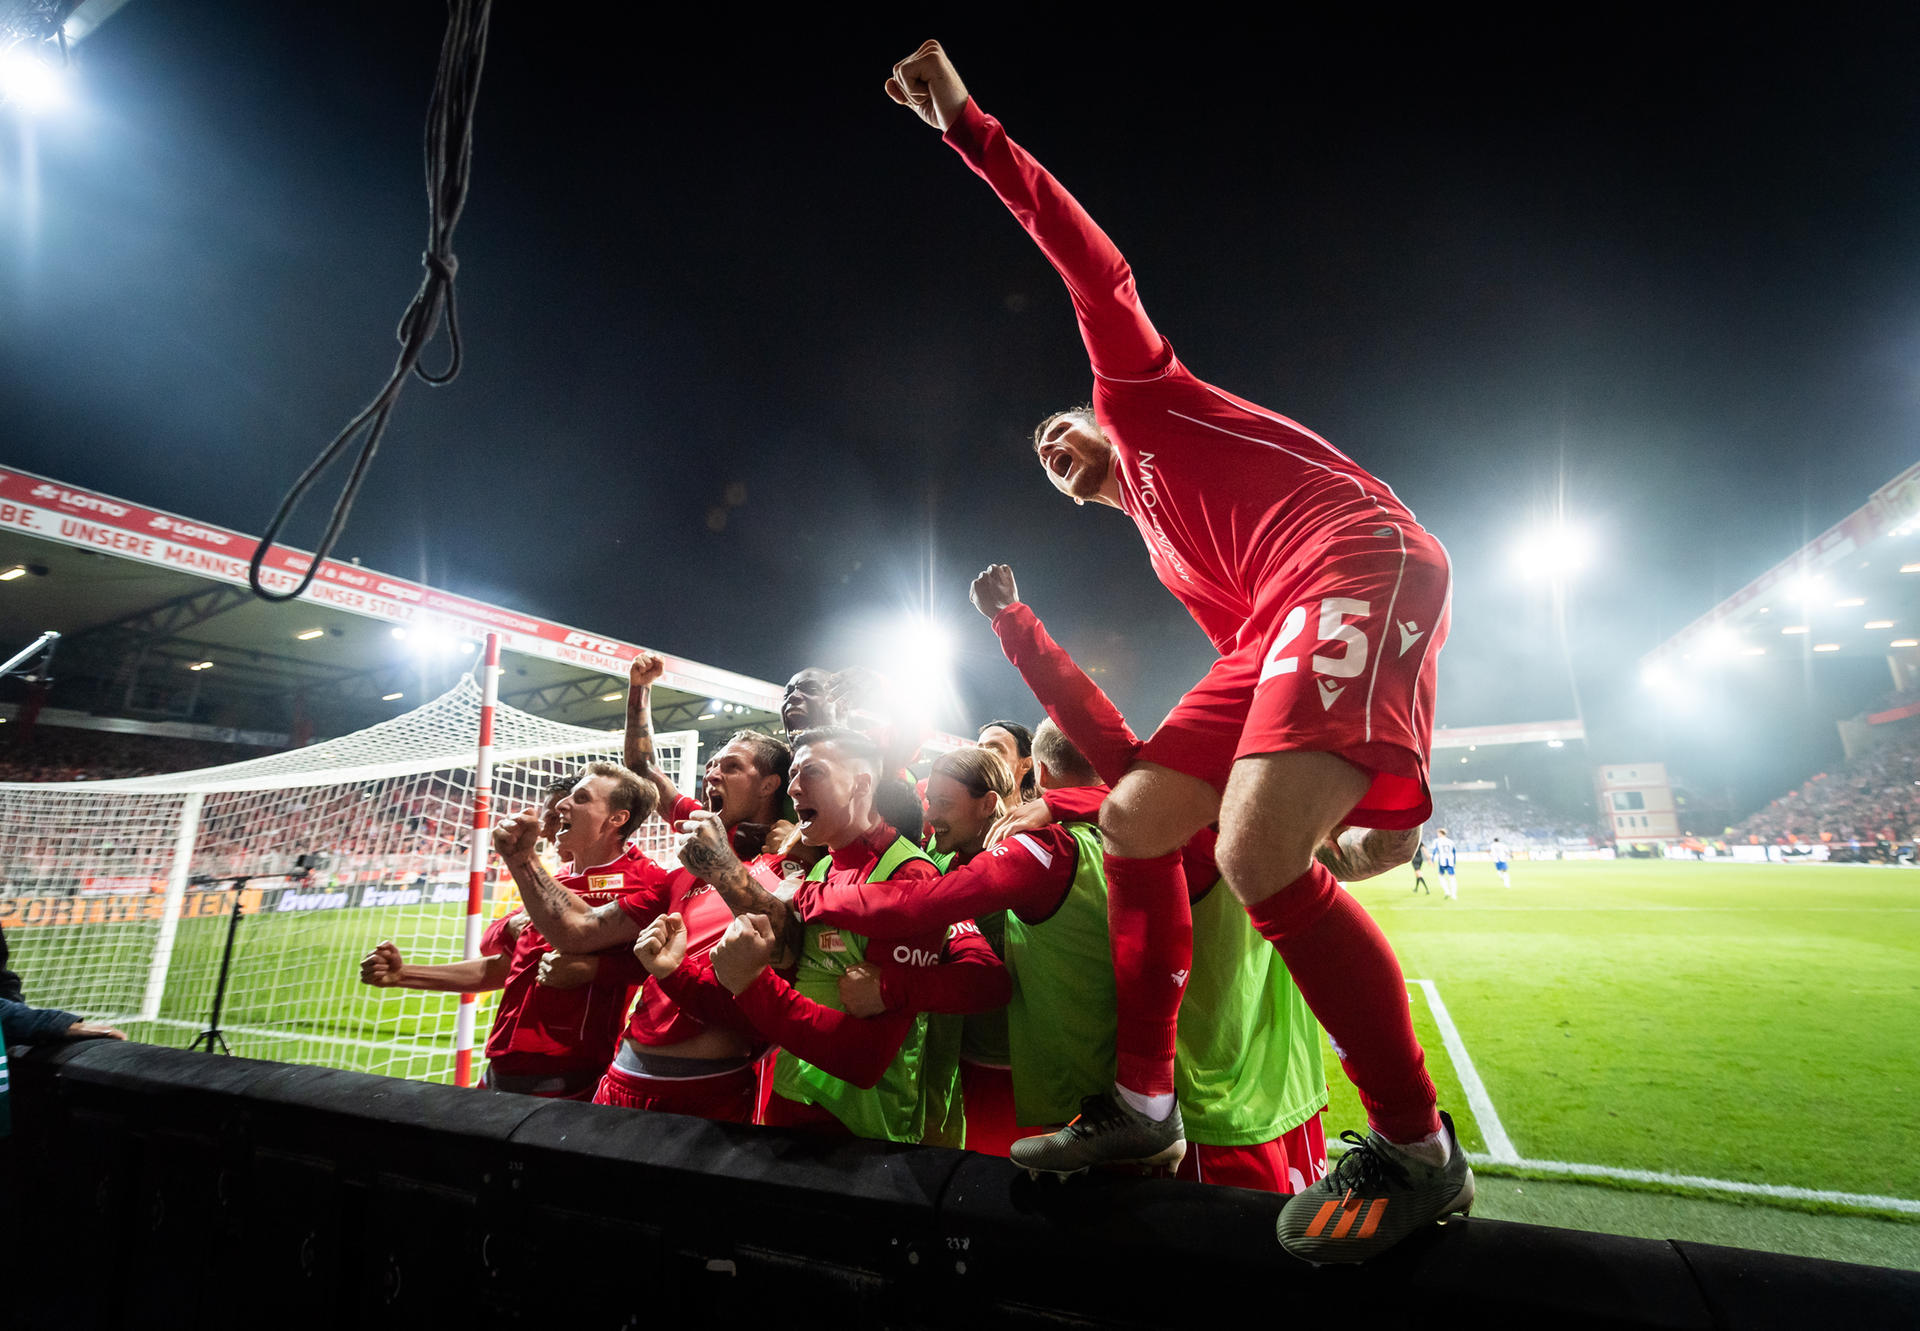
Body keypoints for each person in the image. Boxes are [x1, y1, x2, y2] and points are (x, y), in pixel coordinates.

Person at [887, 41, 1463, 1260]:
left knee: (1254, 851)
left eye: (1062, 428)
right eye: (1041, 454)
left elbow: (1091, 263)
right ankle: (1145, 1111)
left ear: (1100, 413)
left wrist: (969, 127)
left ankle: (1417, 1147)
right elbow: (1270, 677)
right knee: (1141, 817)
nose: (1055, 448)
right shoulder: (1166, 552)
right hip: (1282, 618)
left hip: (1356, 557)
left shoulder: (1144, 400)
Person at [973, 569, 1330, 1192]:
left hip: (1211, 1112)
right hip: (1286, 1089)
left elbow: (1099, 729)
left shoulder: (1187, 830)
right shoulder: (1286, 820)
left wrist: (1069, 801)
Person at [636, 727, 1008, 1142]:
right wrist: (676, 973)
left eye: (811, 772)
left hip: (859, 1129)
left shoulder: (910, 874)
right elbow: (789, 987)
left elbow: (864, 1060)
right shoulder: (818, 868)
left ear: (861, 784)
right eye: (793, 773)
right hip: (788, 1101)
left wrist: (756, 985)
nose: (793, 787)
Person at [366, 765, 659, 1098]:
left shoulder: (646, 879)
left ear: (617, 819)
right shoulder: (554, 880)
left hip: (567, 1070)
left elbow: (648, 961)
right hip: (501, 1065)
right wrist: (404, 975)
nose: (562, 806)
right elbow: (504, 967)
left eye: (580, 798)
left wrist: (595, 969)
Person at [977, 720, 1038, 802]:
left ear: (1026, 765)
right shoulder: (964, 810)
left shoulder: (1040, 813)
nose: (982, 756)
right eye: (979, 750)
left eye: (995, 750)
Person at [1433, 828, 1458, 901]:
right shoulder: (1451, 841)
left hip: (1442, 861)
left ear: (1441, 833)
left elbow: (1434, 851)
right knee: (1452, 877)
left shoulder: (1437, 841)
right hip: (1450, 861)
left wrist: (1432, 860)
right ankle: (1454, 895)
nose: (1437, 835)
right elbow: (1454, 852)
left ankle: (1447, 891)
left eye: (1438, 833)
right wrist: (1454, 863)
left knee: (1441, 876)